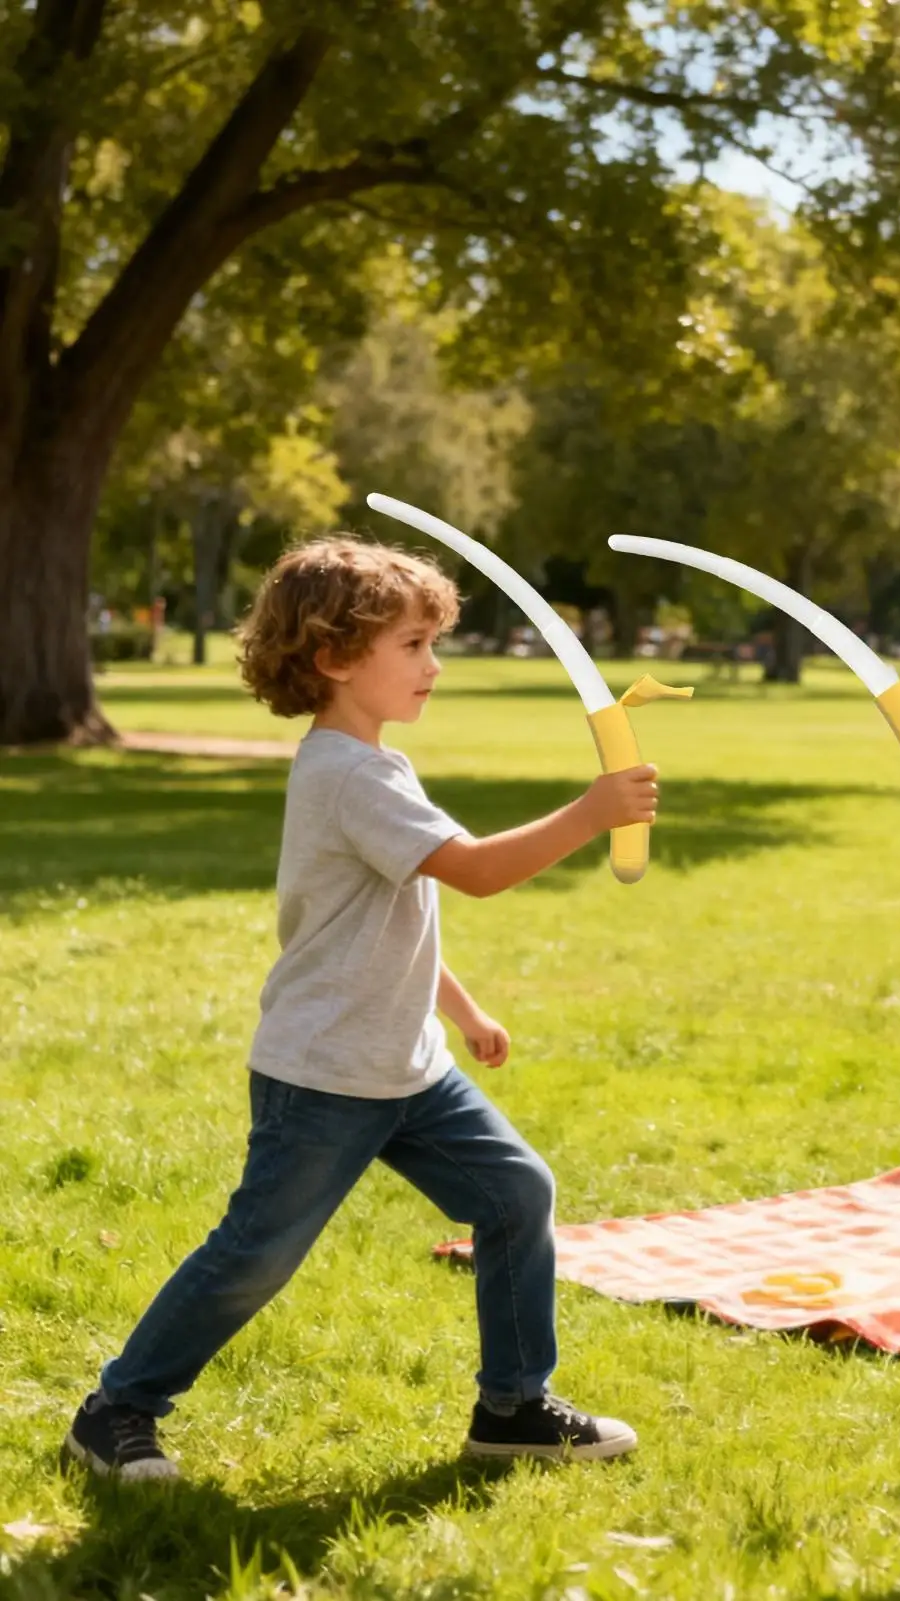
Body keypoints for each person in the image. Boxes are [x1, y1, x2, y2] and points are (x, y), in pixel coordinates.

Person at [63, 537, 659, 1481]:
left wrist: (460, 1010)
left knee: (515, 1194)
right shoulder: (348, 775)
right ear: (336, 657)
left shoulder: (375, 764)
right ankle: (116, 1409)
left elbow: (394, 917)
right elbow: (475, 872)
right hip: (327, 1074)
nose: (434, 665)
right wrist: (590, 813)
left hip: (409, 1067)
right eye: (413, 645)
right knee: (256, 1255)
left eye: (433, 644)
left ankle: (513, 1409)